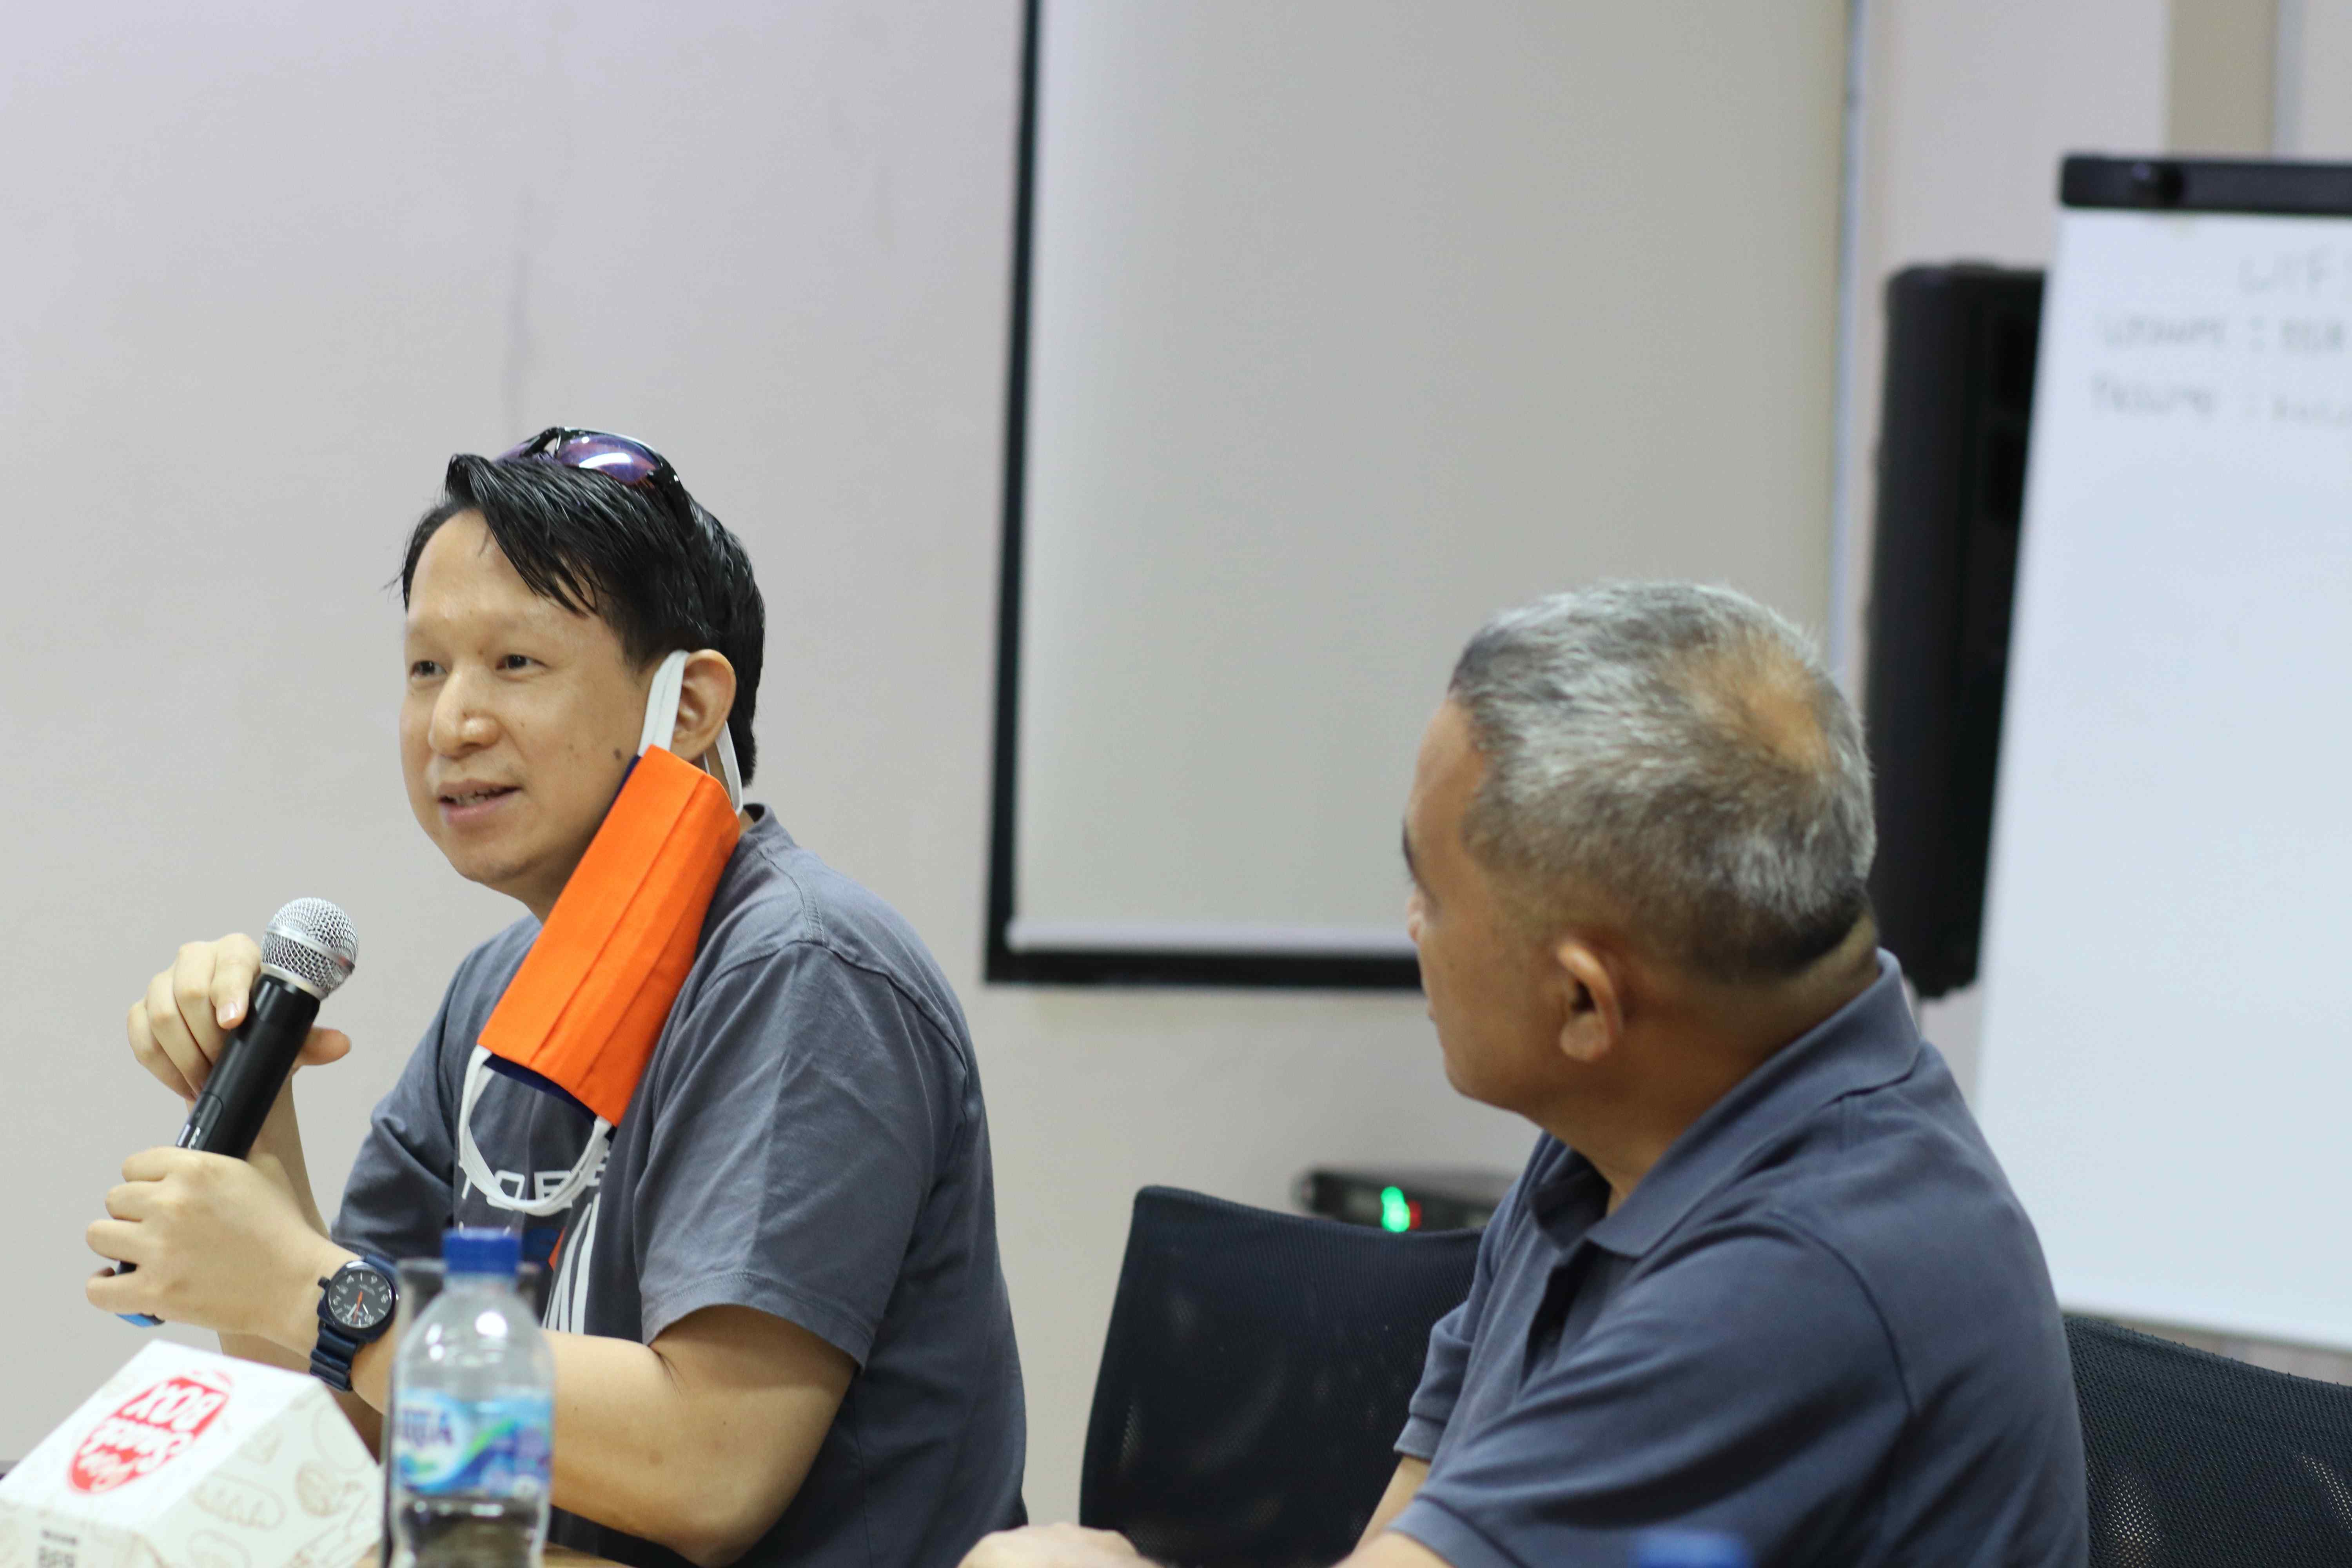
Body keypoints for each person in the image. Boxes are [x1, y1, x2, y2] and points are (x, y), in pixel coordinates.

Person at [965, 583, 2087, 1568]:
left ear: (1586, 1005)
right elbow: (1414, 1528)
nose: (1412, 923)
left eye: (1433, 892)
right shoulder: (1636, 1126)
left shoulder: (1803, 1281)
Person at [87, 429, 1025, 1568]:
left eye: (516, 663)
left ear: (689, 705)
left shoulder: (801, 971)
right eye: (426, 669)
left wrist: (305, 1285)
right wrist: (258, 1110)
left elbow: (707, 1469)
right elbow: (347, 1437)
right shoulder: (501, 984)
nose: (453, 723)